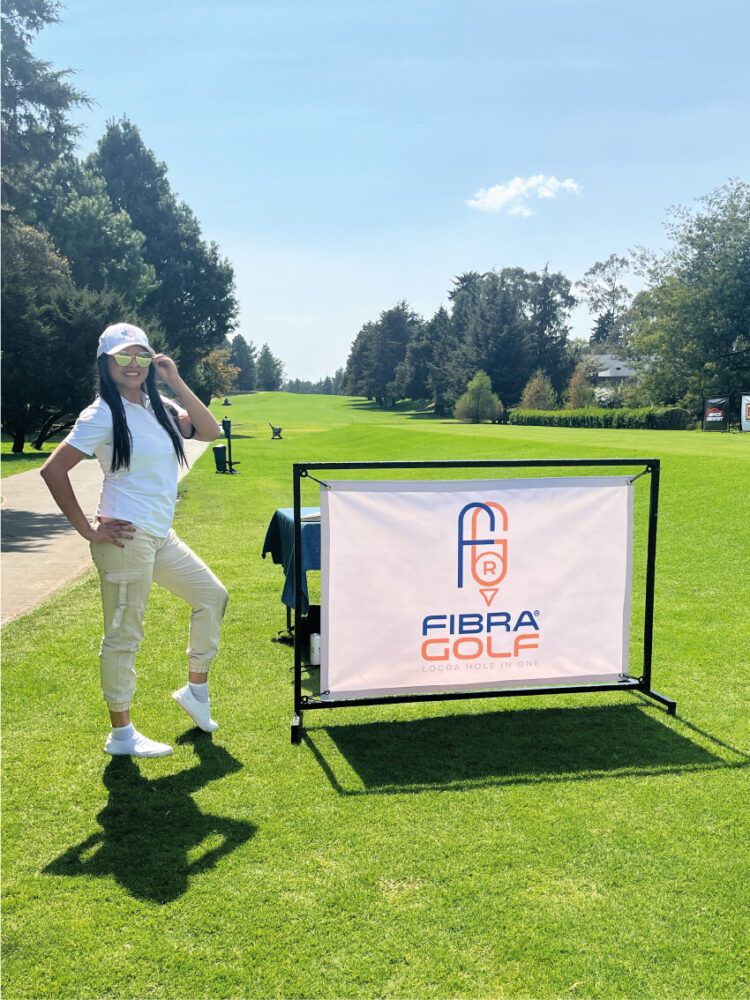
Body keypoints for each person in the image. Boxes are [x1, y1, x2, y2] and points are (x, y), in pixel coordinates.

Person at [41, 323, 229, 758]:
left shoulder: (157, 405)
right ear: (106, 363)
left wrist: (176, 381)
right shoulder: (101, 414)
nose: (132, 364)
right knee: (124, 636)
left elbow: (210, 432)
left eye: (140, 356)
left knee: (211, 596)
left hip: (160, 535)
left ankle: (195, 693)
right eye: (122, 356)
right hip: (124, 538)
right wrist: (89, 529)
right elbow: (53, 470)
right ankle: (121, 735)